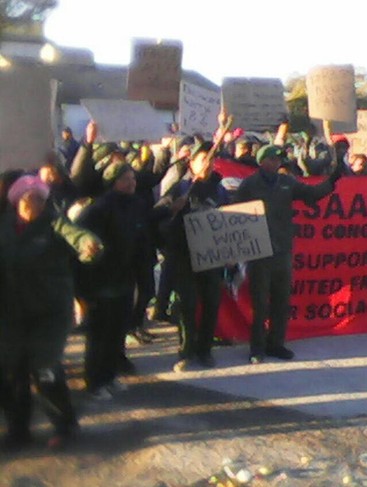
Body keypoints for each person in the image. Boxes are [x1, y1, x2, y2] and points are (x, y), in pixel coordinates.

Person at [0, 175, 102, 449]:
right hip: (11, 312)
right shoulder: (5, 227)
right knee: (10, 371)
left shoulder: (55, 223)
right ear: (18, 201)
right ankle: (18, 429)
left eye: (41, 199)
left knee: (45, 367)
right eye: (31, 199)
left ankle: (64, 424)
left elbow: (78, 236)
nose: (37, 204)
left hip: (49, 311)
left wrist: (89, 246)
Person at [235, 145, 342, 364]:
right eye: (272, 159)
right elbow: (234, 216)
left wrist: (333, 180)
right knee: (260, 303)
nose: (277, 163)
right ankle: (257, 347)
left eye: (279, 159)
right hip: (259, 253)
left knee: (282, 301)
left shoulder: (287, 182)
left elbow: (312, 193)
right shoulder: (249, 185)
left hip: (282, 250)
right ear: (262, 161)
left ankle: (276, 343)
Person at [76, 157, 151, 398]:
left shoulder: (136, 205)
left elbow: (140, 238)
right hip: (102, 281)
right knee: (100, 334)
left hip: (124, 279)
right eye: (125, 179)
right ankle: (94, 381)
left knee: (117, 332)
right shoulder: (98, 209)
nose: (131, 183)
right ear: (113, 181)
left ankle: (109, 375)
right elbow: (84, 244)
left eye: (133, 179)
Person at [156, 141, 231, 372]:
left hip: (212, 258)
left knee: (211, 303)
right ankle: (186, 351)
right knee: (187, 305)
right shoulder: (180, 188)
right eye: (202, 160)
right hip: (184, 256)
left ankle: (205, 350)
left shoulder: (220, 190)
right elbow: (157, 215)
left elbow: (231, 223)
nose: (208, 165)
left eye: (211, 160)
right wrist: (172, 209)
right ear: (192, 163)